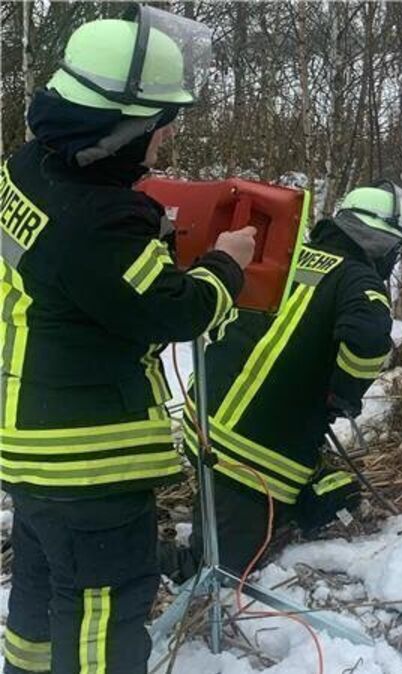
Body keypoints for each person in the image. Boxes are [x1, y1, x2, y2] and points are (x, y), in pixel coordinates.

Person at [0, 9, 254, 674]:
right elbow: (173, 311)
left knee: (39, 599)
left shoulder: (28, 168)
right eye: (160, 121)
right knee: (102, 620)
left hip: (30, 448)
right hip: (89, 463)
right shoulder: (105, 221)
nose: (166, 135)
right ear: (123, 128)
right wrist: (226, 263)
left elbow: (84, 275)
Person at [159, 183, 402, 583]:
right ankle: (133, 556)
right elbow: (367, 344)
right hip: (252, 452)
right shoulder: (360, 282)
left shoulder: (286, 254)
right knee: (219, 571)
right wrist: (343, 393)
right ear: (381, 243)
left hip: (203, 421)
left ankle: (242, 503)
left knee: (324, 495)